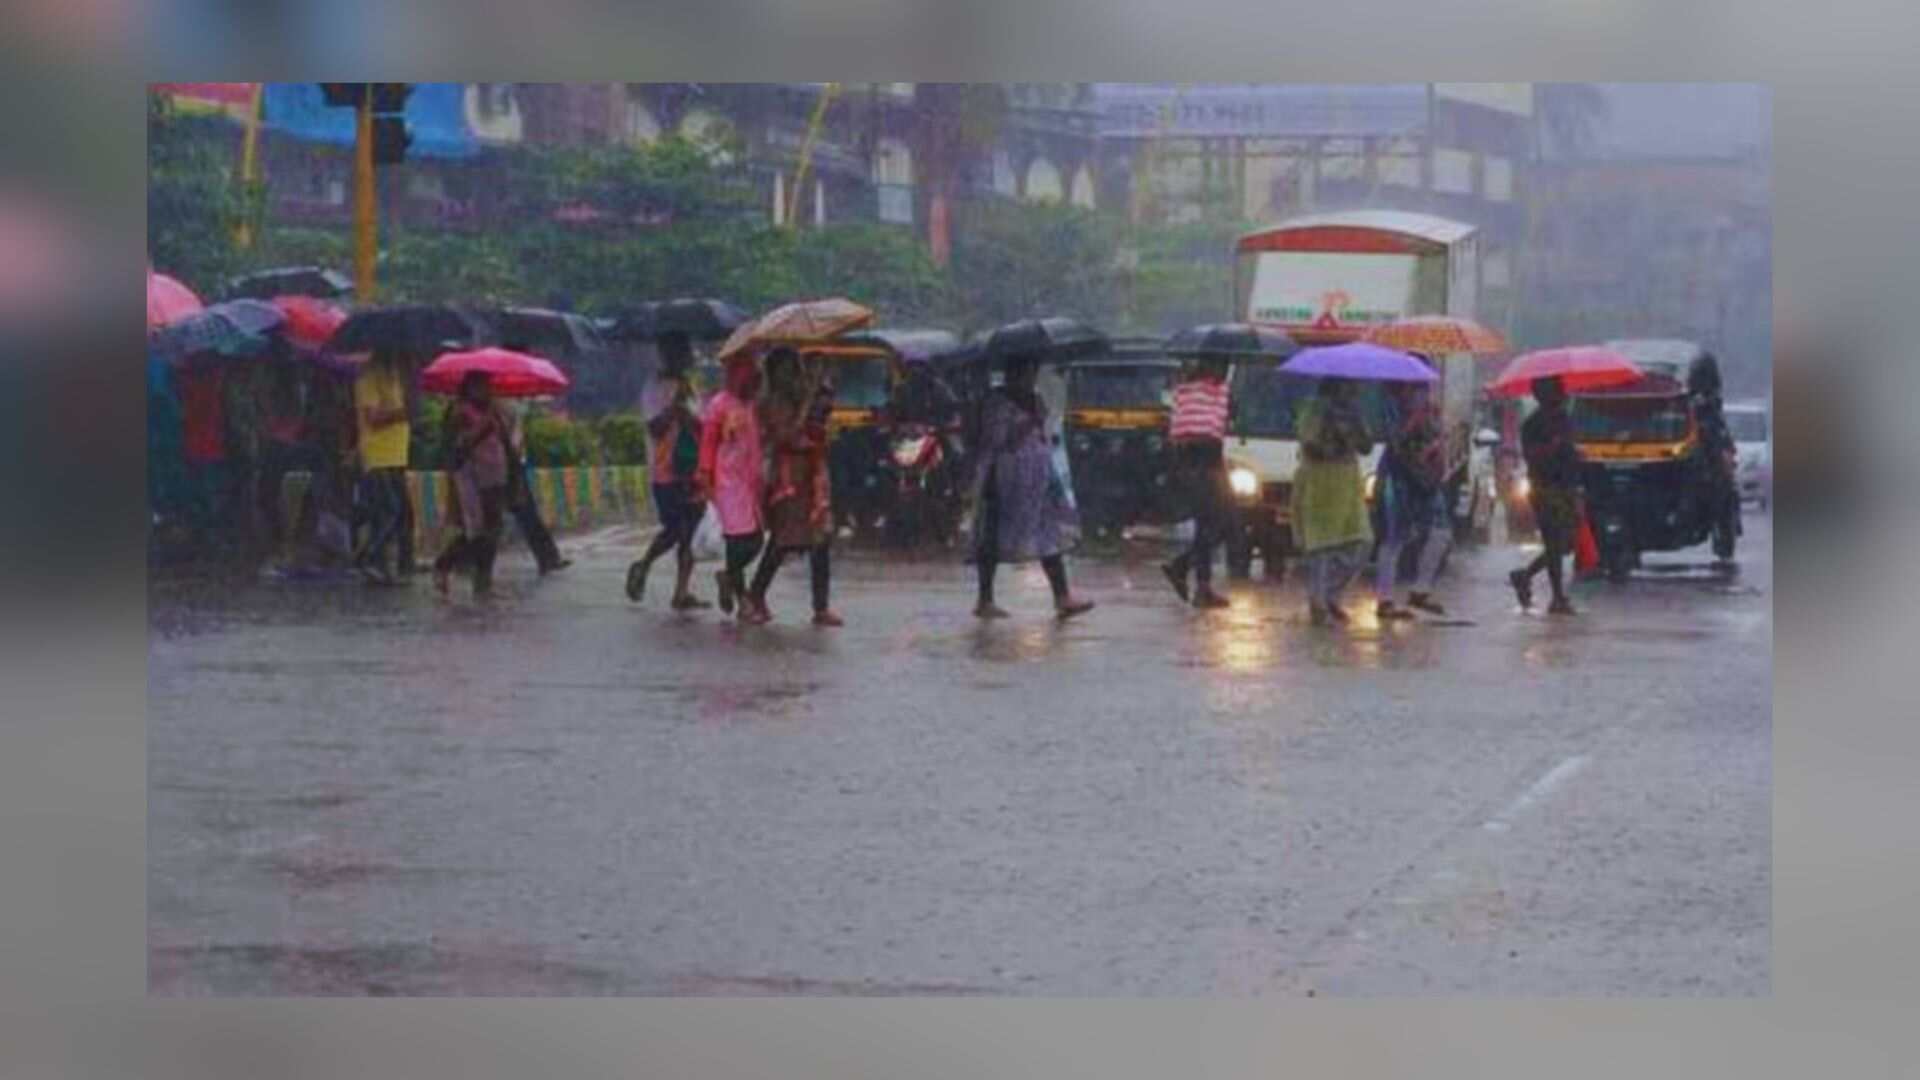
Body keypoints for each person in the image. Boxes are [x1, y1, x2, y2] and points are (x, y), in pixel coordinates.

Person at [970, 353, 1094, 620]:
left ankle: (1062, 596)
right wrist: (1026, 422)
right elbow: (997, 440)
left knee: (1047, 532)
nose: (1031, 378)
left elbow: (1044, 434)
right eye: (1028, 372)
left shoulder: (1034, 398)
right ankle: (985, 599)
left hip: (1038, 478)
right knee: (991, 536)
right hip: (1004, 478)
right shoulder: (996, 402)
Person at [746, 349, 843, 626]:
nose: (792, 374)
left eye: (794, 368)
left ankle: (821, 607)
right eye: (787, 369)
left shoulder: (801, 395)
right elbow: (785, 435)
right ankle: (755, 594)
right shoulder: (772, 402)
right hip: (788, 476)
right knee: (783, 540)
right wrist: (806, 402)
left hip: (812, 473)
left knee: (821, 538)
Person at [627, 333, 710, 609]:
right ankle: (644, 563)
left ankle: (682, 591)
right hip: (665, 470)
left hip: (693, 469)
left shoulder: (691, 387)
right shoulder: (654, 387)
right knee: (674, 529)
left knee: (690, 532)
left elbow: (703, 426)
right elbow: (654, 428)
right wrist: (675, 408)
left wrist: (692, 417)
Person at [1293, 377, 1374, 626]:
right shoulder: (1312, 411)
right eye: (1351, 385)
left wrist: (1354, 428)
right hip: (1319, 484)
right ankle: (1319, 603)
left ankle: (1329, 595)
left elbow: (1366, 446)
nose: (1356, 389)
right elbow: (1310, 444)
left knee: (1361, 543)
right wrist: (1334, 434)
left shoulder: (1355, 412)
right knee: (1321, 548)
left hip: (1347, 485)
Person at [696, 351, 767, 623]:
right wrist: (705, 475)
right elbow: (709, 442)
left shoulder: (748, 406)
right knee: (739, 542)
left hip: (747, 483)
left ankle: (728, 578)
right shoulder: (719, 405)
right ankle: (743, 601)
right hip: (727, 482)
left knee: (755, 539)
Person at [1373, 378, 1452, 619]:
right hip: (1398, 479)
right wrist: (1414, 421)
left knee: (1441, 533)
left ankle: (1420, 590)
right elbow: (1395, 442)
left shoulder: (1430, 410)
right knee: (1394, 538)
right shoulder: (1388, 408)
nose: (1421, 393)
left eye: (1424, 388)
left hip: (1426, 480)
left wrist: (1436, 442)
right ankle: (1385, 599)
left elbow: (1439, 439)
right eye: (1417, 387)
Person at [1160, 355, 1232, 609]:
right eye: (1221, 364)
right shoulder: (1200, 392)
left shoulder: (1200, 391)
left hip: (1202, 463)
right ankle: (1186, 571)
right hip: (1201, 463)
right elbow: (1197, 431)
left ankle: (1199, 583)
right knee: (1220, 522)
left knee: (1212, 524)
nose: (1224, 369)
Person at [432, 372, 511, 597]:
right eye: (480, 386)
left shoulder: (493, 410)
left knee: (494, 529)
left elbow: (503, 441)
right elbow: (458, 445)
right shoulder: (460, 411)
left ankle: (483, 579)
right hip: (472, 477)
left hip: (495, 474)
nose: (485, 390)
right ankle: (444, 564)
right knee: (476, 531)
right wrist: (483, 429)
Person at [1509, 375, 1582, 615]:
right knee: (1554, 542)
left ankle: (1525, 576)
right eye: (1558, 391)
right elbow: (1532, 456)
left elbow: (1571, 452)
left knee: (1566, 543)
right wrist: (1552, 448)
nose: (1563, 395)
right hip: (1545, 488)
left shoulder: (1565, 420)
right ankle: (1557, 597)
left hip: (1566, 488)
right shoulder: (1533, 424)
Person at [352, 349, 414, 585]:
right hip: (377, 455)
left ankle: (390, 564)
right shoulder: (368, 378)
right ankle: (369, 557)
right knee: (389, 510)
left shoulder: (395, 378)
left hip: (397, 455)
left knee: (401, 514)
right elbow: (373, 418)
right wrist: (401, 413)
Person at [501, 401, 571, 575]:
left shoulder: (510, 408)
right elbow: (513, 444)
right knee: (523, 516)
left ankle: (548, 558)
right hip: (504, 470)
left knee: (528, 515)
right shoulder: (501, 409)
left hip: (514, 469)